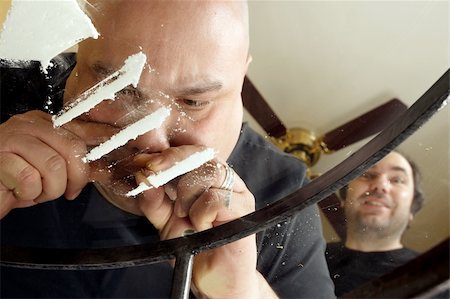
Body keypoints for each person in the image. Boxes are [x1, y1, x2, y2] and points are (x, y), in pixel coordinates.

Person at [0, 1, 335, 298]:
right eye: (116, 89)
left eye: (194, 102)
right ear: (77, 62)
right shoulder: (11, 96)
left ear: (241, 79)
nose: (151, 140)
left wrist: (241, 292)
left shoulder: (283, 196)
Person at [325, 151, 425, 296]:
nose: (380, 185)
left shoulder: (437, 272)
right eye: (366, 175)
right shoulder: (307, 258)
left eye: (397, 179)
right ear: (344, 200)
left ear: (412, 210)